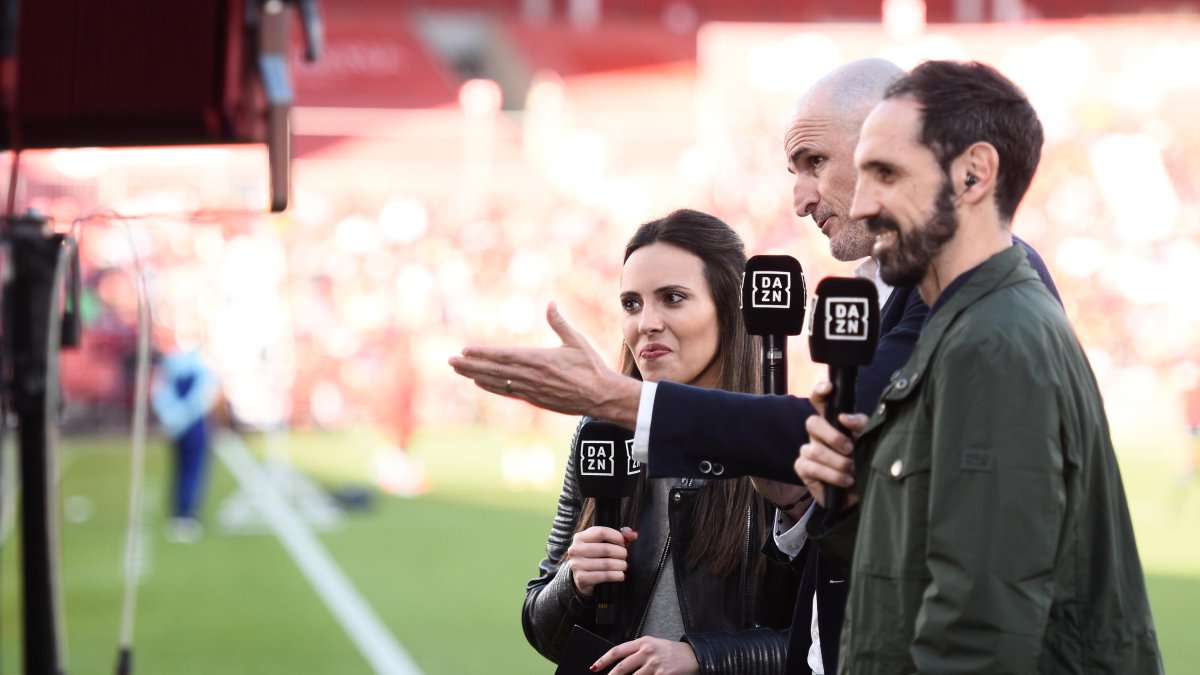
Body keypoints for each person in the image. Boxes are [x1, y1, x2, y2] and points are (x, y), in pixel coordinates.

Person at [452, 58, 1061, 675]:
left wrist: (618, 398)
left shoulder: (980, 283)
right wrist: (801, 504)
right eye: (631, 303)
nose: (800, 200)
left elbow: (858, 444)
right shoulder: (891, 292)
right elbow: (876, 517)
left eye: (815, 162)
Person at [796, 59, 1162, 673]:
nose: (861, 203)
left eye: (886, 174)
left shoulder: (993, 342)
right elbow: (932, 565)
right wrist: (857, 501)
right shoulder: (967, 325)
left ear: (973, 175)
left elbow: (981, 633)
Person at [522, 209, 797, 674]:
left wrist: (701, 657)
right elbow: (541, 626)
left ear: (729, 308)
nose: (646, 322)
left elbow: (825, 639)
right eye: (631, 303)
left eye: (672, 298)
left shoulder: (782, 441)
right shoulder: (602, 431)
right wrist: (576, 581)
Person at [151, 336, 221, 543]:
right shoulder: (200, 368)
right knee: (192, 470)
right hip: (194, 427)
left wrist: (171, 417)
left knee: (181, 469)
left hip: (177, 427)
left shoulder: (170, 367)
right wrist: (180, 417)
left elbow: (160, 395)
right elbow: (202, 398)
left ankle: (180, 512)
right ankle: (186, 513)